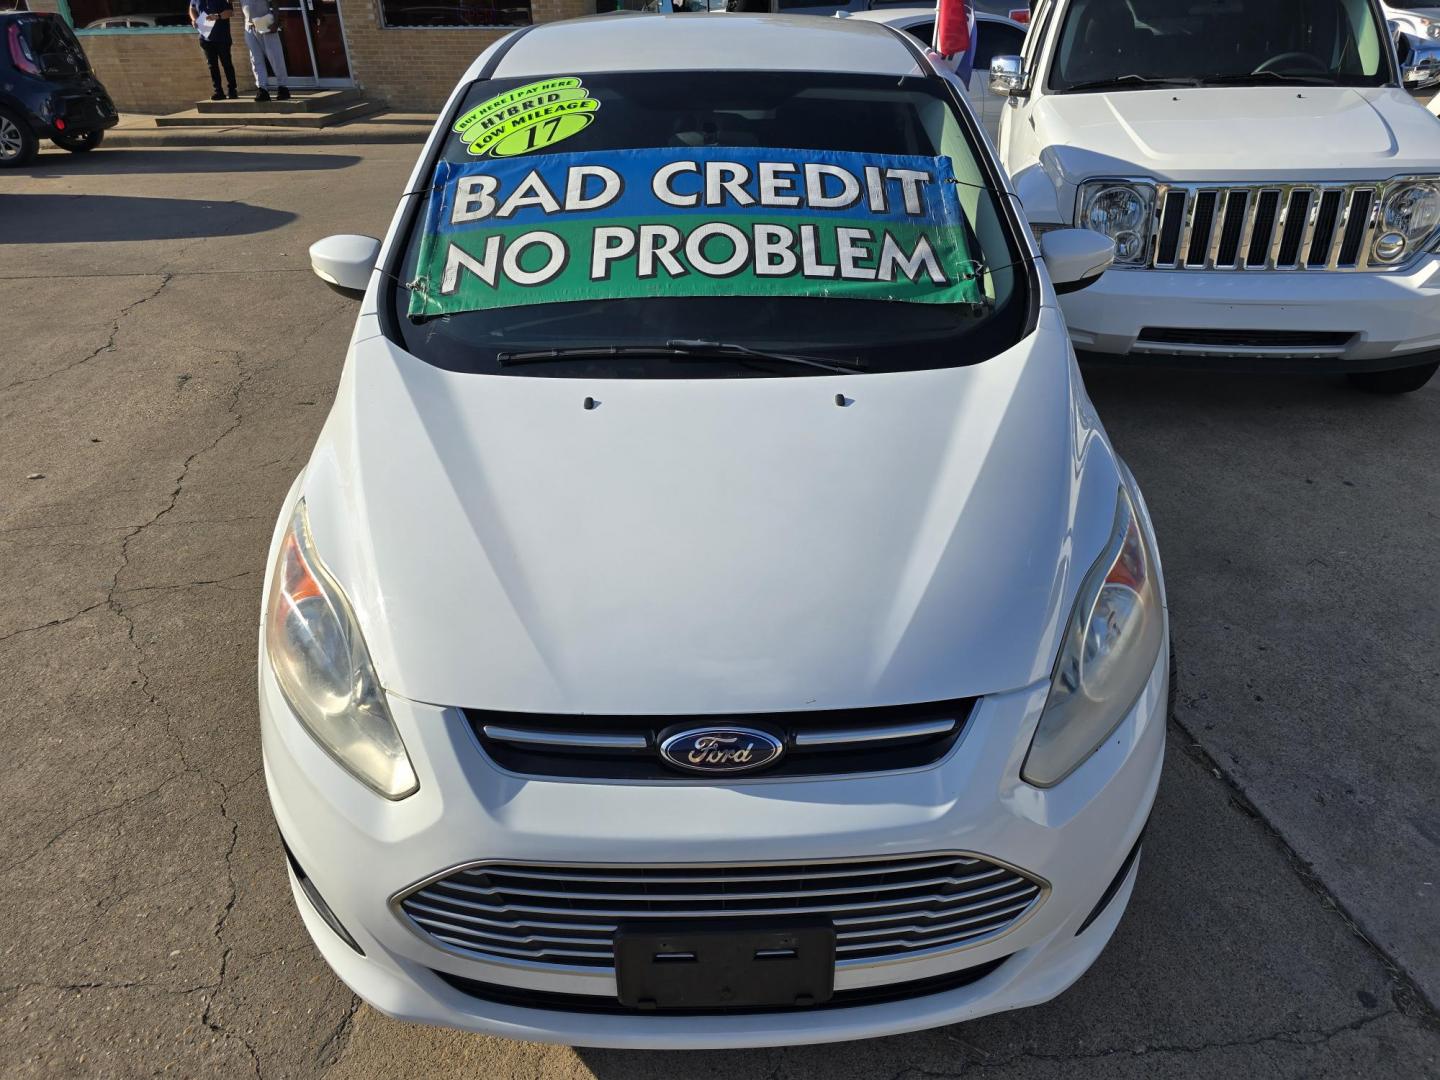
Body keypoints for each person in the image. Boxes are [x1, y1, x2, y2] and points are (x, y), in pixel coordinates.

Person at [241, 0, 289, 103]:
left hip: (265, 24)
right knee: (255, 58)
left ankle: (283, 87)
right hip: (249, 26)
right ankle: (262, 89)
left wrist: (276, 22)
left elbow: (275, 3)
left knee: (275, 56)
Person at [189, 0, 237, 101]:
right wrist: (194, 19)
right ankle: (218, 91)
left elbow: (230, 12)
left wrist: (218, 16)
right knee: (212, 66)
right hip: (205, 38)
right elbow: (192, 8)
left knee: (227, 64)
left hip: (222, 38)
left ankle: (232, 90)